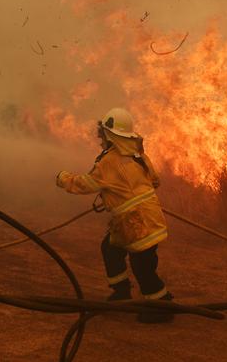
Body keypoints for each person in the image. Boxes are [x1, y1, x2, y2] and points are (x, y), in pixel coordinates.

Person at [55, 107, 172, 322]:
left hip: (137, 225)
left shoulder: (109, 161)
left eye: (102, 135)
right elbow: (154, 181)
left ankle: (162, 307)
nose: (100, 140)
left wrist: (63, 178)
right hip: (145, 218)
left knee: (143, 268)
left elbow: (86, 184)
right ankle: (121, 293)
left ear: (110, 136)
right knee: (110, 249)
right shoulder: (139, 156)